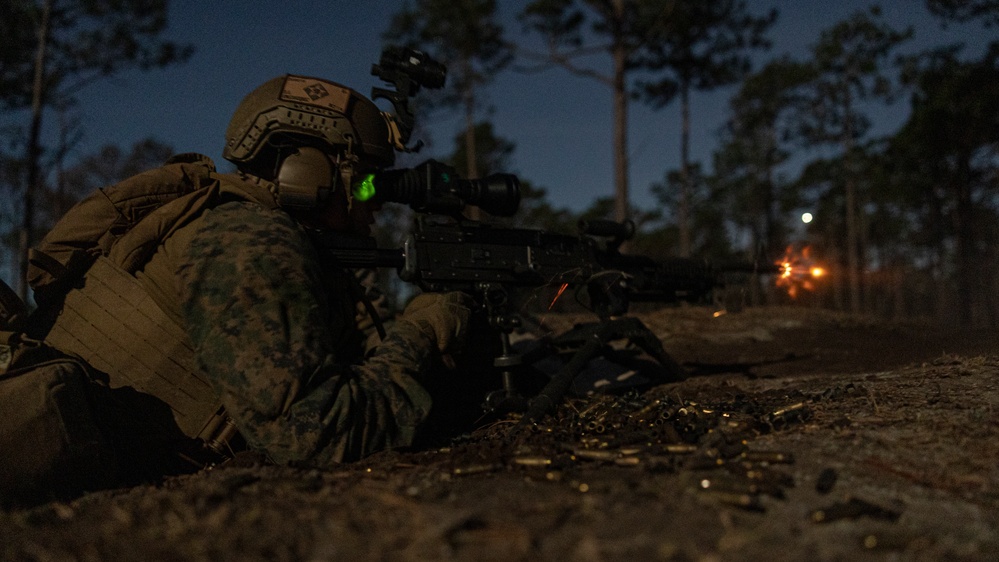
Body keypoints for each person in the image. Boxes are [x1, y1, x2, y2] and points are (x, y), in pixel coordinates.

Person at [2, 74, 472, 501]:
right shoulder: (250, 241)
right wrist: (423, 334)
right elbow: (314, 435)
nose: (375, 204)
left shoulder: (232, 224)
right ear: (306, 169)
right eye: (366, 183)